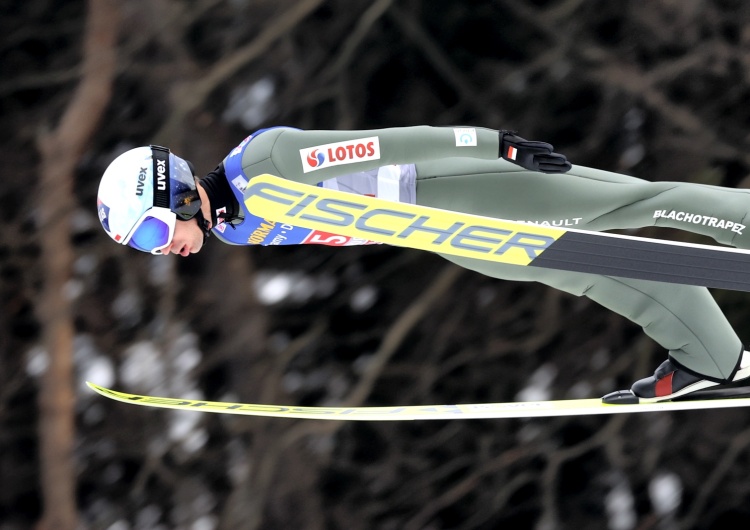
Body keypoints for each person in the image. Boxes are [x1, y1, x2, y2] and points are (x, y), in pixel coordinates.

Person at [97, 125, 750, 404]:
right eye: (148, 247)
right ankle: (714, 358)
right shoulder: (235, 228)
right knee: (590, 266)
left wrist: (498, 146)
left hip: (461, 188)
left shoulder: (264, 165)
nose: (166, 248)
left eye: (156, 230)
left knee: (629, 205)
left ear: (176, 193)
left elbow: (384, 146)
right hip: (445, 232)